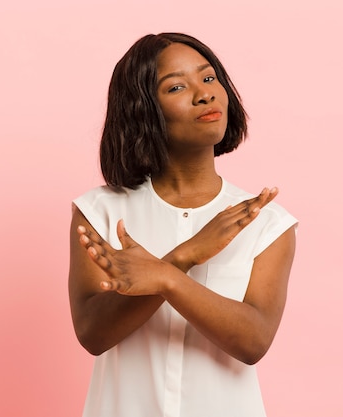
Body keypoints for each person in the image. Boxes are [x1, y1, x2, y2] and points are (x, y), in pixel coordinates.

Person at [68, 33, 297, 417]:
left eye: (209, 79)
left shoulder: (266, 221)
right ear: (143, 109)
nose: (204, 94)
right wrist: (184, 257)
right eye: (176, 86)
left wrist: (165, 277)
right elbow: (93, 334)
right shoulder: (99, 211)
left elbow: (254, 341)